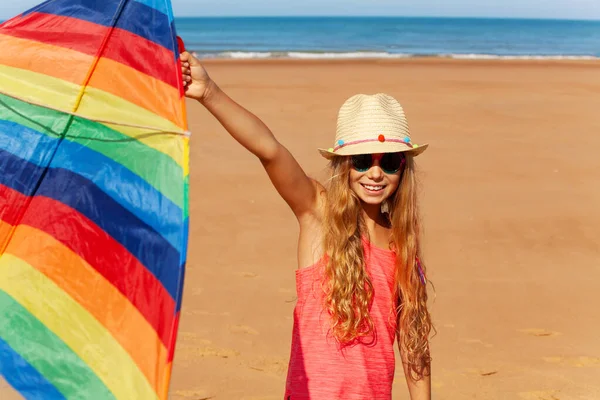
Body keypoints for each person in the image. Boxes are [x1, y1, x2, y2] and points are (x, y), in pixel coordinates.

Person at [180, 51, 433, 399]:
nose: (375, 173)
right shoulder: (318, 214)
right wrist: (209, 92)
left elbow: (414, 345)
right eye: (362, 161)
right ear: (344, 165)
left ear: (403, 169)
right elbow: (269, 150)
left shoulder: (402, 243)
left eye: (389, 162)